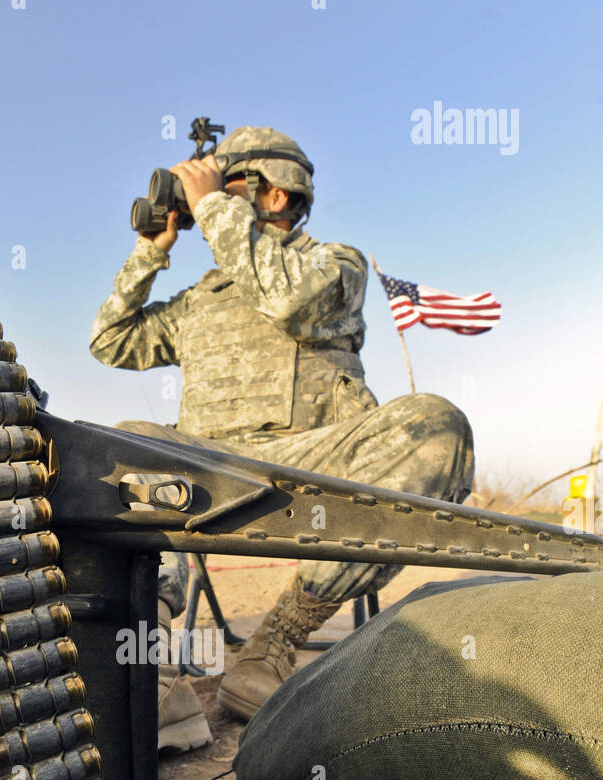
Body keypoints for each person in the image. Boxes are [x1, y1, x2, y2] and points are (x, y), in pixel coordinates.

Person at [91, 125, 475, 741]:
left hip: (313, 469)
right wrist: (148, 252)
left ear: (274, 196)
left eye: (227, 184)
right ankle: (157, 675)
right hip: (211, 469)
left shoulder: (333, 263)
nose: (206, 200)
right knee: (119, 447)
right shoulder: (201, 299)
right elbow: (112, 342)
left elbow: (290, 299)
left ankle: (273, 644)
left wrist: (212, 206)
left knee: (436, 425)